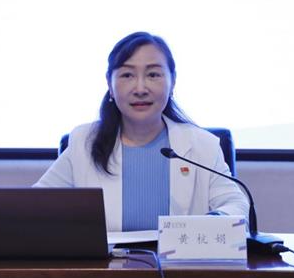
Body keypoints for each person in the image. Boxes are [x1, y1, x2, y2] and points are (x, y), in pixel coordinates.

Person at [34, 31, 249, 231]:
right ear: (109, 83)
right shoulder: (84, 142)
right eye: (127, 75)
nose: (140, 89)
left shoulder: (202, 145)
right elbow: (36, 206)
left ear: (173, 81)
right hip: (108, 261)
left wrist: (209, 224)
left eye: (153, 74)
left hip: (181, 260)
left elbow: (235, 204)